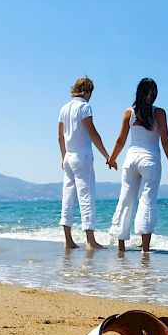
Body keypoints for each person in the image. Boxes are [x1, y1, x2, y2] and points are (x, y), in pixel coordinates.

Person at [107, 78, 168, 252]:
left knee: (125, 199)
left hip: (130, 160)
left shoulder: (129, 113)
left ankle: (121, 246)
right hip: (150, 160)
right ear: (154, 94)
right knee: (147, 201)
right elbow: (165, 141)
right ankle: (145, 249)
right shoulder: (159, 113)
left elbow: (120, 139)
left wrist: (112, 158)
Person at [58, 76, 112, 249]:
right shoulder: (84, 107)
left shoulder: (64, 108)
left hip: (68, 157)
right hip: (82, 158)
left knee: (68, 197)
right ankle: (90, 240)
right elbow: (93, 133)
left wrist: (63, 156)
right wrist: (107, 155)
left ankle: (68, 240)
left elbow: (60, 136)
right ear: (87, 91)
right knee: (86, 197)